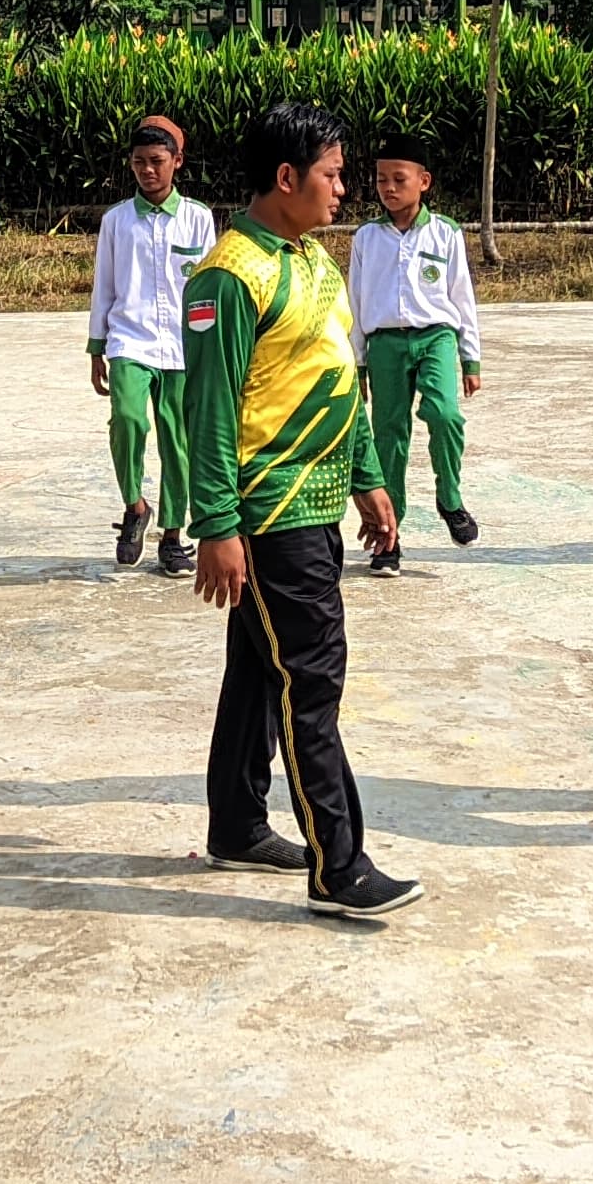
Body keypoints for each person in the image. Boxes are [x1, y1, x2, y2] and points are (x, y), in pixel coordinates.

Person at [183, 101, 418, 919]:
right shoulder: (230, 275)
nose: (345, 189)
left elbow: (340, 378)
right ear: (286, 178)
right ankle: (339, 865)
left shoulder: (316, 263)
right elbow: (207, 411)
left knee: (260, 670)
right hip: (269, 511)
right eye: (331, 174)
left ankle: (239, 824)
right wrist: (216, 524)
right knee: (311, 679)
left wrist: (370, 475)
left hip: (319, 500)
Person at [85, 115, 215, 575]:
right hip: (129, 340)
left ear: (177, 162)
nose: (148, 171)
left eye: (157, 162)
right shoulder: (118, 221)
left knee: (178, 442)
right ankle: (135, 506)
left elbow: (209, 290)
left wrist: (212, 348)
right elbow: (105, 284)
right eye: (139, 162)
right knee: (127, 419)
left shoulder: (198, 220)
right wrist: (97, 345)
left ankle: (174, 535)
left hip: (184, 347)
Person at [348, 133, 484, 572]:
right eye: (381, 179)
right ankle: (389, 537)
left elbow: (462, 298)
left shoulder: (445, 233)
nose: (388, 188)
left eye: (399, 179)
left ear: (423, 182)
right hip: (385, 343)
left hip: (436, 337)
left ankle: (450, 497)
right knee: (388, 439)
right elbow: (356, 301)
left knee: (445, 415)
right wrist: (359, 362)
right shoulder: (367, 238)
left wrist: (470, 357)